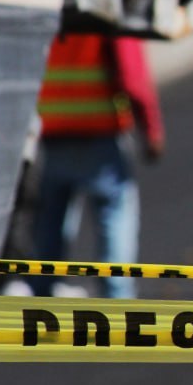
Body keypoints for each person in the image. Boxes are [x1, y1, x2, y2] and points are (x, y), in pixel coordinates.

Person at [31, 30, 166, 299]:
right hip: (100, 135)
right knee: (114, 218)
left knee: (50, 227)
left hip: (54, 133)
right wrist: (151, 129)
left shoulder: (52, 3)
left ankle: (40, 300)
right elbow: (132, 75)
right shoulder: (106, 6)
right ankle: (117, 304)